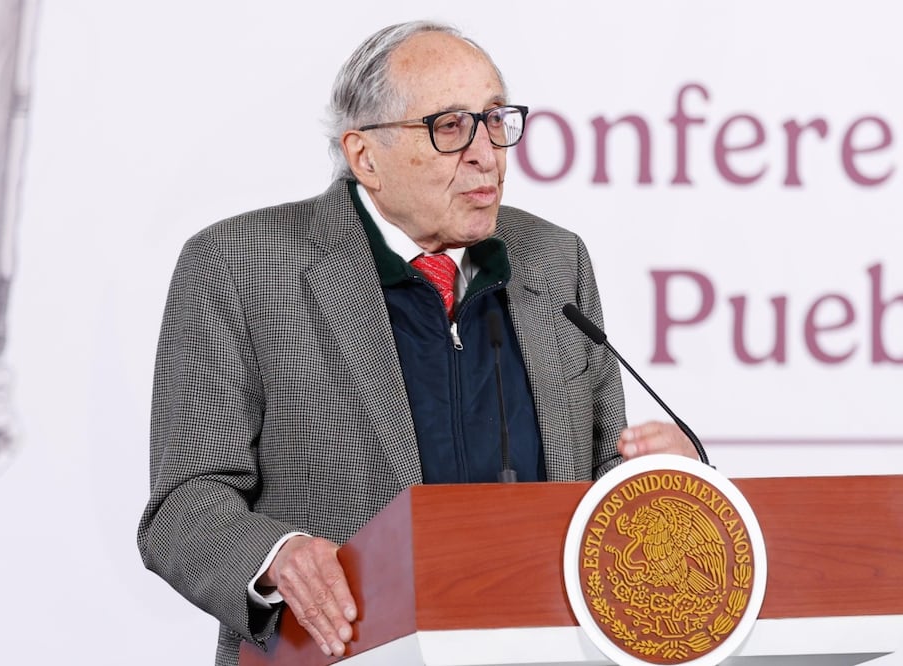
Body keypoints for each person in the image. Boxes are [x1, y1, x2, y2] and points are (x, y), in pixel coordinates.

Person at [137, 20, 699, 665]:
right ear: (364, 156)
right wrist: (273, 557)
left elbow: (600, 477)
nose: (487, 152)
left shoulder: (554, 260)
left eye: (495, 120)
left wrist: (657, 483)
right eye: (450, 127)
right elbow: (184, 505)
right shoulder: (239, 265)